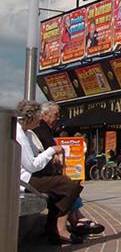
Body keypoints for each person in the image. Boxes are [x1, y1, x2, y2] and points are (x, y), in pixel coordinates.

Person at [31, 101, 105, 236]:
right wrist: (54, 154)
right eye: (56, 115)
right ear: (44, 115)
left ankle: (76, 219)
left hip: (42, 173)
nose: (58, 118)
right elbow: (44, 156)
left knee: (68, 184)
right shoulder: (41, 128)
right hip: (37, 175)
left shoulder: (44, 129)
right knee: (69, 186)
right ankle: (65, 227)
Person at [16, 100, 84, 245]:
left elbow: (35, 156)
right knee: (70, 185)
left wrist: (49, 156)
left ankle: (54, 229)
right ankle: (59, 228)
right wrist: (52, 150)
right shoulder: (20, 135)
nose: (40, 119)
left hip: (30, 177)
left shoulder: (26, 132)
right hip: (26, 179)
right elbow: (32, 165)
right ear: (31, 117)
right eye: (38, 116)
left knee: (62, 188)